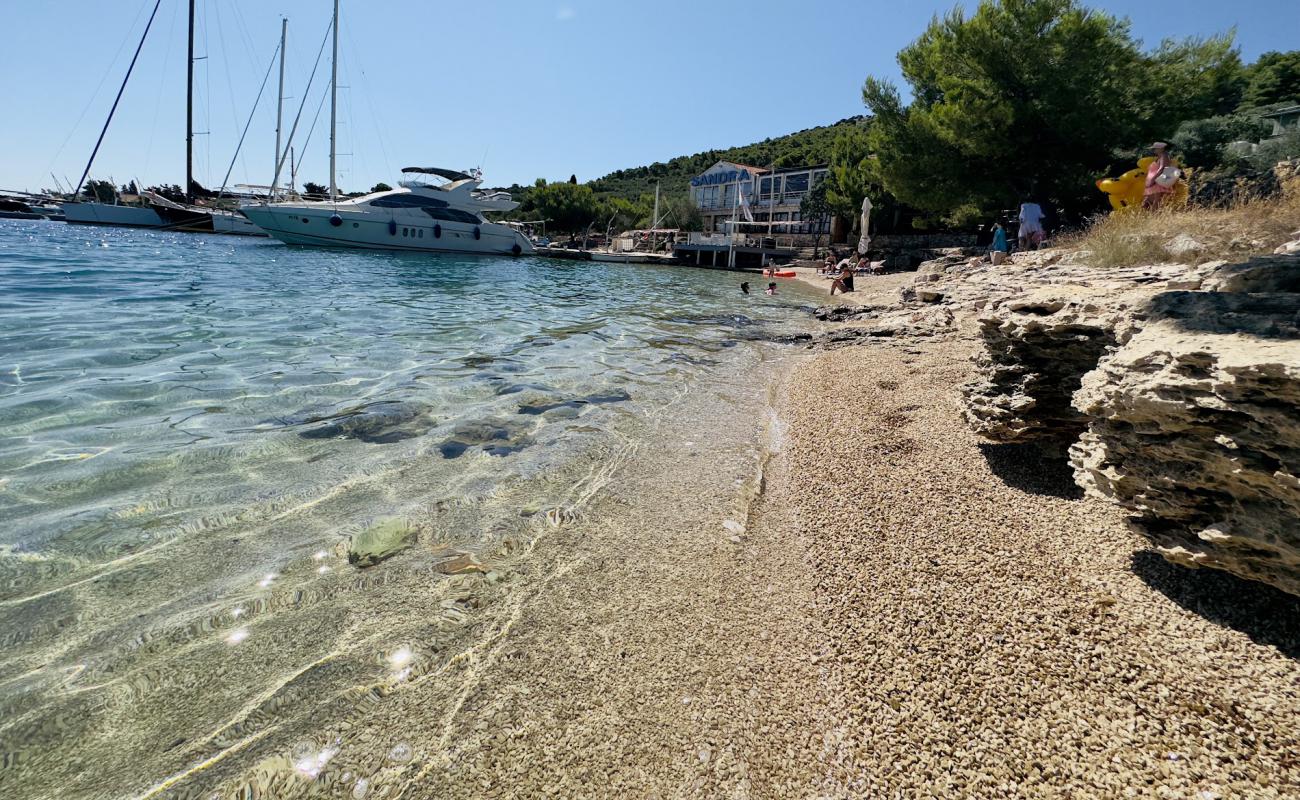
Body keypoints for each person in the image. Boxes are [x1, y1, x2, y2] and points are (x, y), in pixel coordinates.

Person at [1144, 142, 1176, 211]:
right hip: (1159, 180)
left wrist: (1153, 179)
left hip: (1159, 180)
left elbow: (1161, 168)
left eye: (1155, 148)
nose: (1154, 150)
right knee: (1149, 201)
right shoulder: (1162, 156)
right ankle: (1149, 216)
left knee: (1156, 200)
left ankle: (1154, 217)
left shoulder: (1163, 156)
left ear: (1161, 149)